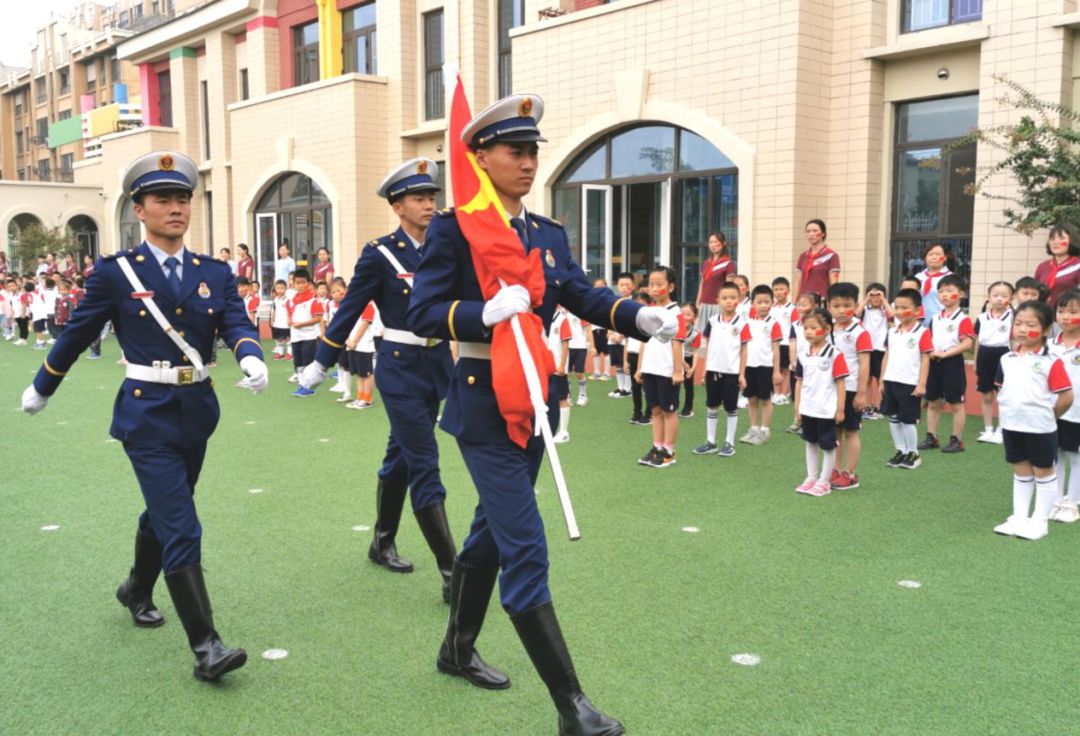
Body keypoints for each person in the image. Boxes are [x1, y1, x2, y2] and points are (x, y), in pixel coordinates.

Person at [406, 94, 676, 736]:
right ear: (482, 157)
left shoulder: (546, 233)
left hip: (534, 398)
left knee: (492, 536)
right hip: (481, 398)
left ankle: (455, 648)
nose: (527, 162)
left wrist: (640, 317)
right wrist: (480, 315)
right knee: (525, 544)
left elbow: (580, 292)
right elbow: (420, 314)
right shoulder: (455, 228)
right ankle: (571, 707)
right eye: (514, 151)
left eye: (533, 151)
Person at [20, 150, 268, 681]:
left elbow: (234, 319)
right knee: (182, 522)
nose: (176, 208)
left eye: (183, 199)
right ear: (140, 208)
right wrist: (43, 386)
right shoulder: (116, 273)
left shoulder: (214, 271)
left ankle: (136, 586)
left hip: (198, 409)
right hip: (145, 413)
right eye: (163, 199)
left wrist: (249, 352)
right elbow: (79, 331)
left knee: (163, 512)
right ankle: (207, 647)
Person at [300, 158, 458, 601]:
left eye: (432, 197)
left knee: (402, 457)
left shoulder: (446, 245)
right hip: (401, 366)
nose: (429, 205)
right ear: (398, 205)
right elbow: (350, 309)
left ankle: (381, 540)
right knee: (425, 462)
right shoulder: (380, 253)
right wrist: (322, 362)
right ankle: (452, 572)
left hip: (439, 365)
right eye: (419, 198)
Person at [993, 300, 1073, 540]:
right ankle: (1019, 517)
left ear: (1047, 329)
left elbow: (1067, 395)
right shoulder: (1007, 359)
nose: (1023, 329)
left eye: (1030, 325)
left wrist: (1051, 416)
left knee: (1043, 472)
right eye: (1018, 323)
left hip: (1040, 427)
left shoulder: (1051, 361)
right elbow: (1000, 388)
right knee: (1021, 470)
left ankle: (1040, 522)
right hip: (1012, 425)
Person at [635, 265, 687, 468]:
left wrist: (676, 371)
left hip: (667, 371)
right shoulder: (648, 311)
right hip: (650, 368)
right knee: (655, 410)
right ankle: (657, 447)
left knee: (668, 411)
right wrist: (640, 367)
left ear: (671, 286)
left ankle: (669, 450)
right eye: (651, 284)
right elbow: (643, 341)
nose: (654, 288)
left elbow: (677, 342)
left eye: (659, 284)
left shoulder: (676, 314)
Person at [795, 308, 848, 496]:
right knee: (810, 442)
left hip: (826, 410)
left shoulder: (835, 354)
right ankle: (811, 477)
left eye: (813, 328)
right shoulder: (803, 354)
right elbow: (799, 381)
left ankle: (824, 481)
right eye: (806, 328)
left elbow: (841, 383)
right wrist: (797, 406)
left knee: (828, 445)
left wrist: (840, 409)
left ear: (826, 330)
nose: (808, 332)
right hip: (808, 408)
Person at [919, 275, 974, 454]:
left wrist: (944, 354)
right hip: (934, 362)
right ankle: (931, 436)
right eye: (941, 291)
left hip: (952, 363)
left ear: (961, 294)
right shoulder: (935, 318)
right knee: (933, 401)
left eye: (949, 291)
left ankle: (957, 440)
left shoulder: (963, 319)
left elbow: (967, 344)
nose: (944, 295)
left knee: (955, 402)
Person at [693, 281, 749, 457]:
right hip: (713, 372)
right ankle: (711, 442)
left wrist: (742, 374)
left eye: (732, 298)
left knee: (731, 408)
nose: (728, 301)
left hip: (732, 373)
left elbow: (744, 349)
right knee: (712, 406)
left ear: (738, 300)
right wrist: (705, 370)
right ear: (718, 300)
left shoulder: (742, 323)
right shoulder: (712, 321)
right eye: (724, 298)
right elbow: (707, 344)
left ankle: (729, 443)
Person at [826, 283, 872, 490]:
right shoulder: (827, 329)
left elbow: (864, 364)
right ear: (828, 306)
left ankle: (850, 473)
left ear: (856, 305)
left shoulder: (860, 332)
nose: (842, 310)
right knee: (834, 432)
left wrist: (861, 393)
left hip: (852, 388)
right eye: (836, 306)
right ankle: (834, 470)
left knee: (850, 432)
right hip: (831, 389)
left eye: (847, 305)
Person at [881, 288, 932, 470]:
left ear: (917, 310)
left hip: (909, 383)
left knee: (907, 419)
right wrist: (882, 380)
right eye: (897, 307)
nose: (900, 312)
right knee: (893, 418)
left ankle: (913, 453)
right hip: (891, 380)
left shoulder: (922, 332)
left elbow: (925, 358)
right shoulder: (892, 331)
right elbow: (887, 355)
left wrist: (922, 383)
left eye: (905, 308)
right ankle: (901, 450)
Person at [1049, 290, 1080, 523]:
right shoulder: (1049, 344)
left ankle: (1072, 503)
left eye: (1073, 312)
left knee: (1076, 456)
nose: (1065, 317)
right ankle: (1056, 499)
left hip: (1077, 412)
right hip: (1053, 410)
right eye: (1061, 311)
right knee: (1056, 455)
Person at [740, 284, 782, 445]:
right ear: (752, 303)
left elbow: (776, 349)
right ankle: (754, 428)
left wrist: (776, 371)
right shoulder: (746, 323)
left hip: (765, 367)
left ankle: (765, 430)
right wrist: (741, 370)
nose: (763, 305)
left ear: (772, 303)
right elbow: (742, 347)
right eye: (760, 302)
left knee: (765, 399)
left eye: (767, 302)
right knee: (751, 399)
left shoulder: (774, 324)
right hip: (749, 366)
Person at [974, 281, 1014, 444]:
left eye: (1004, 296)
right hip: (984, 354)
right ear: (988, 297)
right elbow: (977, 341)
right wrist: (977, 361)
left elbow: (1014, 341)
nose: (999, 299)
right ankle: (988, 429)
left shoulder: (1013, 316)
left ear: (1011, 298)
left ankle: (1001, 430)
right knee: (986, 394)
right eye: (995, 295)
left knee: (1002, 395)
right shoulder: (981, 317)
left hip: (1003, 355)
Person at [786, 291, 821, 434]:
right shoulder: (795, 325)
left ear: (815, 306)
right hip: (798, 363)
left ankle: (810, 422)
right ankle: (798, 419)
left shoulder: (820, 325)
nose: (800, 308)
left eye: (804, 305)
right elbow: (793, 342)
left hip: (814, 363)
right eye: (799, 305)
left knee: (812, 392)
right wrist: (793, 360)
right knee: (796, 393)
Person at [286, 269, 323, 397]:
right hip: (296, 337)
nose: (300, 285)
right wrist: (289, 320)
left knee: (308, 363)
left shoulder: (314, 300)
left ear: (308, 283)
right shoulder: (291, 300)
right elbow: (290, 314)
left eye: (303, 283)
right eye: (297, 283)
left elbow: (318, 318)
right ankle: (302, 385)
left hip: (309, 336)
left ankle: (309, 387)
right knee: (298, 363)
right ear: (293, 284)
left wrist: (301, 324)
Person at [856, 283, 891, 419]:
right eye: (872, 295)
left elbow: (893, 316)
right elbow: (856, 314)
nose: (875, 298)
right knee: (867, 379)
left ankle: (878, 405)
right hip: (867, 348)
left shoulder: (887, 308)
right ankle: (867, 406)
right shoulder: (865, 309)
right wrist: (866, 299)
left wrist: (884, 300)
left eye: (878, 294)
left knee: (880, 378)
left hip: (881, 348)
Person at [694, 231, 735, 329]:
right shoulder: (706, 262)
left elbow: (729, 287)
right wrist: (698, 300)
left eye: (716, 242)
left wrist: (725, 303)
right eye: (711, 242)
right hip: (704, 303)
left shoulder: (728, 263)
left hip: (718, 304)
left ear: (723, 243)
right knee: (703, 335)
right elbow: (702, 283)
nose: (713, 245)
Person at [1035, 223, 1080, 307]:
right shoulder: (1043, 266)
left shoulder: (1077, 266)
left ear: (1072, 241)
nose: (1055, 242)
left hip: (1067, 316)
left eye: (1061, 238)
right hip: (1042, 314)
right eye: (1052, 238)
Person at [625, 289, 653, 425]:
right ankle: (637, 412)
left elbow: (645, 342)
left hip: (647, 356)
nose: (639, 308)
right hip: (632, 355)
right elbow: (627, 341)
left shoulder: (650, 322)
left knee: (647, 386)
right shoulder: (629, 320)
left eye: (642, 304)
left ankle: (649, 413)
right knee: (635, 387)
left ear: (648, 304)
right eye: (636, 305)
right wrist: (625, 360)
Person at [606, 273, 635, 399]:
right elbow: (608, 319)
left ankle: (628, 389)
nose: (624, 288)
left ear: (633, 286)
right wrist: (610, 333)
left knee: (626, 364)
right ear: (617, 286)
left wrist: (622, 336)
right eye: (621, 285)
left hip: (627, 340)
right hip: (613, 339)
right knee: (617, 364)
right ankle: (620, 387)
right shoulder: (614, 301)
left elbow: (633, 322)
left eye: (627, 285)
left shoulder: (634, 303)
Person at [793, 219, 839, 298]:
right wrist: (793, 304)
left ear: (823, 233)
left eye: (815, 231)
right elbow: (797, 282)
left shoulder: (831, 255)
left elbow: (834, 283)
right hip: (803, 302)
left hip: (821, 301)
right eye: (808, 231)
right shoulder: (803, 256)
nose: (811, 234)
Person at [345, 302, 378, 410]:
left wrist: (354, 341)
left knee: (366, 373)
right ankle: (361, 397)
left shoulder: (368, 305)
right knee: (359, 373)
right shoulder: (353, 305)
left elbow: (364, 323)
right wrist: (348, 340)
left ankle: (367, 399)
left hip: (364, 345)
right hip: (351, 345)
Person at [549, 305, 573, 443]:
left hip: (558, 367)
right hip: (546, 366)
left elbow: (565, 344)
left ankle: (564, 431)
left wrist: (562, 365)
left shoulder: (562, 319)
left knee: (562, 398)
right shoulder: (544, 318)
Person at [770, 276, 795, 405]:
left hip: (787, 343)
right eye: (776, 289)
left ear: (788, 291)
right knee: (775, 369)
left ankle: (784, 394)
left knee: (785, 369)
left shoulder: (792, 308)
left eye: (782, 289)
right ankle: (776, 393)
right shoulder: (770, 308)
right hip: (773, 343)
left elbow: (795, 326)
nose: (779, 292)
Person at [913, 243, 952, 325]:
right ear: (925, 258)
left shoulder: (951, 277)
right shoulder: (918, 277)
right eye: (930, 254)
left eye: (938, 254)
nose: (934, 257)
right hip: (919, 324)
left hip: (942, 323)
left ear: (945, 257)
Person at [565, 310, 592, 406]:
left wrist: (592, 346)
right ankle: (567, 396)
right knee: (567, 373)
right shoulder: (562, 312)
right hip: (566, 346)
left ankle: (583, 396)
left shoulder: (580, 312)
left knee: (579, 373)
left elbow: (588, 329)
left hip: (580, 346)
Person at [679, 302, 700, 418]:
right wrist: (683, 364)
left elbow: (696, 351)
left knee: (688, 385)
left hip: (689, 358)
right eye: (682, 314)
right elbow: (673, 348)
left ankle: (688, 407)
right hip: (675, 358)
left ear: (694, 317)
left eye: (688, 314)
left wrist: (692, 368)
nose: (685, 317)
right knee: (673, 382)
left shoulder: (696, 334)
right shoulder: (674, 330)